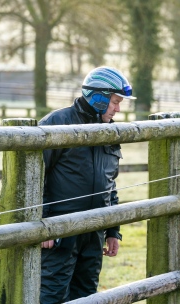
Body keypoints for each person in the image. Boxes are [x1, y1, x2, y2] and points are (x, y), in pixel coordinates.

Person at [38, 66, 136, 303]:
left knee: (87, 296)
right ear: (99, 97)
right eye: (114, 102)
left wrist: (113, 231)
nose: (118, 109)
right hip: (60, 230)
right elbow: (34, 179)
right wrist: (42, 225)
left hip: (95, 232)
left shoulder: (109, 132)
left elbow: (110, 184)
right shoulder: (56, 124)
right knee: (52, 295)